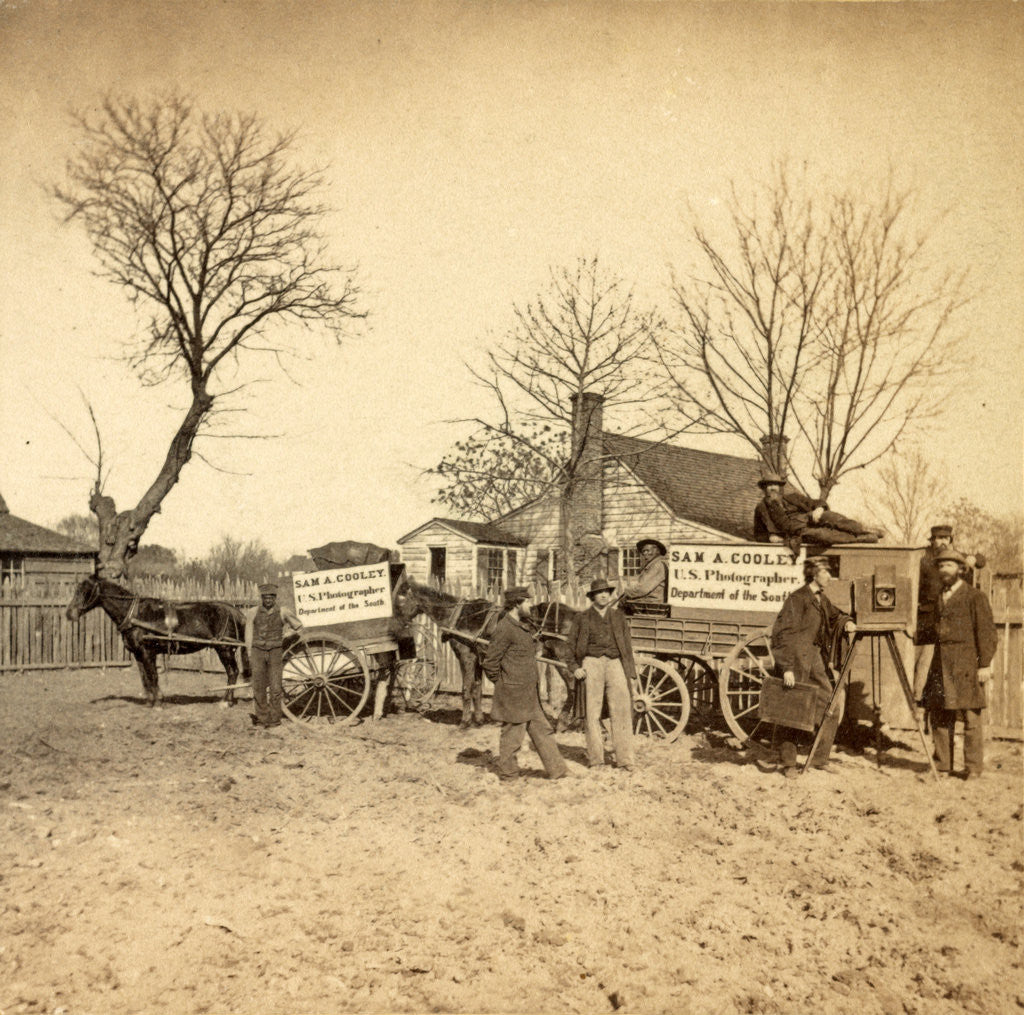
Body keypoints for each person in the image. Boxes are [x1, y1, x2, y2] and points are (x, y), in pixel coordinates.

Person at [770, 555, 857, 776]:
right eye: (825, 572)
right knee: (792, 711)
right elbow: (782, 634)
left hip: (815, 661)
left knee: (831, 705)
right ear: (813, 573)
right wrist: (787, 667)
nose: (829, 576)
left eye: (830, 572)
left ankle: (819, 758)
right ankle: (787, 763)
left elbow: (835, 616)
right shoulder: (797, 599)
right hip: (796, 662)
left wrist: (847, 623)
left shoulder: (821, 599)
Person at [921, 547, 997, 779]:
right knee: (940, 715)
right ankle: (943, 766)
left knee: (971, 717)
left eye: (950, 565)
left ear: (961, 570)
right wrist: (911, 633)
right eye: (941, 566)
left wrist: (984, 664)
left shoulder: (974, 596)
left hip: (965, 664)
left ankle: (973, 768)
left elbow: (987, 633)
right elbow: (933, 631)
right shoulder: (939, 598)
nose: (944, 570)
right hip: (941, 664)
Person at [482, 586, 568, 782]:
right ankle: (509, 775)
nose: (530, 605)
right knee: (512, 734)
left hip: (529, 692)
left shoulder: (521, 625)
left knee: (542, 730)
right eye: (527, 602)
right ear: (516, 604)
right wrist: (505, 684)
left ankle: (558, 770)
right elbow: (490, 663)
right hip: (514, 693)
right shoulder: (504, 628)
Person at [567, 577, 637, 772]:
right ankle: (596, 760)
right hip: (591, 664)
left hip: (615, 664)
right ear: (593, 597)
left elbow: (628, 647)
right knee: (592, 713)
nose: (604, 595)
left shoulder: (618, 617)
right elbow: (569, 647)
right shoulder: (582, 618)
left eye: (607, 591)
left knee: (621, 711)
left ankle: (625, 759)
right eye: (599, 592)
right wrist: (575, 668)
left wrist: (631, 673)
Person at [913, 525, 986, 700]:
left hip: (955, 621)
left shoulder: (957, 559)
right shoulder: (924, 560)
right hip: (928, 619)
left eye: (946, 538)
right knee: (923, 664)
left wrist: (973, 558)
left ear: (951, 540)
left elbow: (982, 560)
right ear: (932, 541)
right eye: (938, 538)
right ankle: (918, 704)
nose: (942, 542)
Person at [753, 473, 882, 556]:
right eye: (769, 485)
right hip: (798, 532)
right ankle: (863, 538)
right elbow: (758, 535)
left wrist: (819, 509)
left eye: (775, 484)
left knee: (830, 516)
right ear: (764, 489)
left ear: (780, 487)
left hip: (810, 518)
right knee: (823, 535)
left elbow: (816, 502)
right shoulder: (761, 509)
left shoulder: (792, 498)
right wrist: (769, 538)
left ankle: (862, 529)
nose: (772, 488)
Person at [244, 582, 303, 728]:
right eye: (265, 597)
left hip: (275, 652)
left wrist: (288, 634)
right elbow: (248, 633)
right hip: (257, 651)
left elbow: (299, 626)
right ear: (262, 598)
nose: (268, 600)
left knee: (276, 687)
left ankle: (275, 719)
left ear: (275, 598)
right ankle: (262, 718)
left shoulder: (283, 612)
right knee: (258, 686)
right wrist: (249, 652)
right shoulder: (253, 612)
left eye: (271, 597)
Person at [621, 538, 668, 609]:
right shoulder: (652, 565)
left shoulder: (657, 565)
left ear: (657, 551)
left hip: (652, 604)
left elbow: (642, 589)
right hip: (648, 602)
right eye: (643, 551)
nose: (645, 553)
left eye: (648, 550)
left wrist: (626, 591)